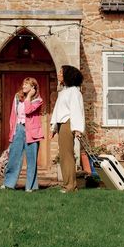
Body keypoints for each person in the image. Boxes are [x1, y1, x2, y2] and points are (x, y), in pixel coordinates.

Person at [1, 77, 43, 192]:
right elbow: (13, 116)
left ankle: (31, 187)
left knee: (31, 159)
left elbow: (28, 110)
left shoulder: (38, 100)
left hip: (32, 132)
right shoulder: (17, 97)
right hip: (19, 129)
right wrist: (12, 132)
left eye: (26, 84)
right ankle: (9, 183)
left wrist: (29, 97)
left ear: (33, 87)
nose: (23, 86)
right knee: (14, 158)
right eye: (23, 84)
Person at [50, 65, 85, 193]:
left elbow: (76, 111)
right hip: (61, 124)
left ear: (67, 75)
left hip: (67, 124)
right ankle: (68, 185)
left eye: (61, 72)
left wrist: (77, 129)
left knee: (67, 156)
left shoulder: (74, 92)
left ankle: (70, 186)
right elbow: (58, 110)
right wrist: (53, 128)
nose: (58, 74)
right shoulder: (64, 91)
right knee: (64, 156)